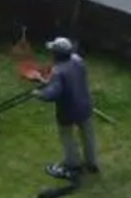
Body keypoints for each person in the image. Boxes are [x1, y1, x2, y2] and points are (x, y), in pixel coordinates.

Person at [32, 37, 97, 180]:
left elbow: (53, 94)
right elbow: (70, 79)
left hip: (68, 110)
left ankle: (73, 162)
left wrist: (39, 94)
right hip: (85, 105)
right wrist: (49, 81)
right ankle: (92, 162)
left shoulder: (58, 71)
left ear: (57, 54)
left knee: (67, 136)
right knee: (88, 135)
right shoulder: (78, 60)